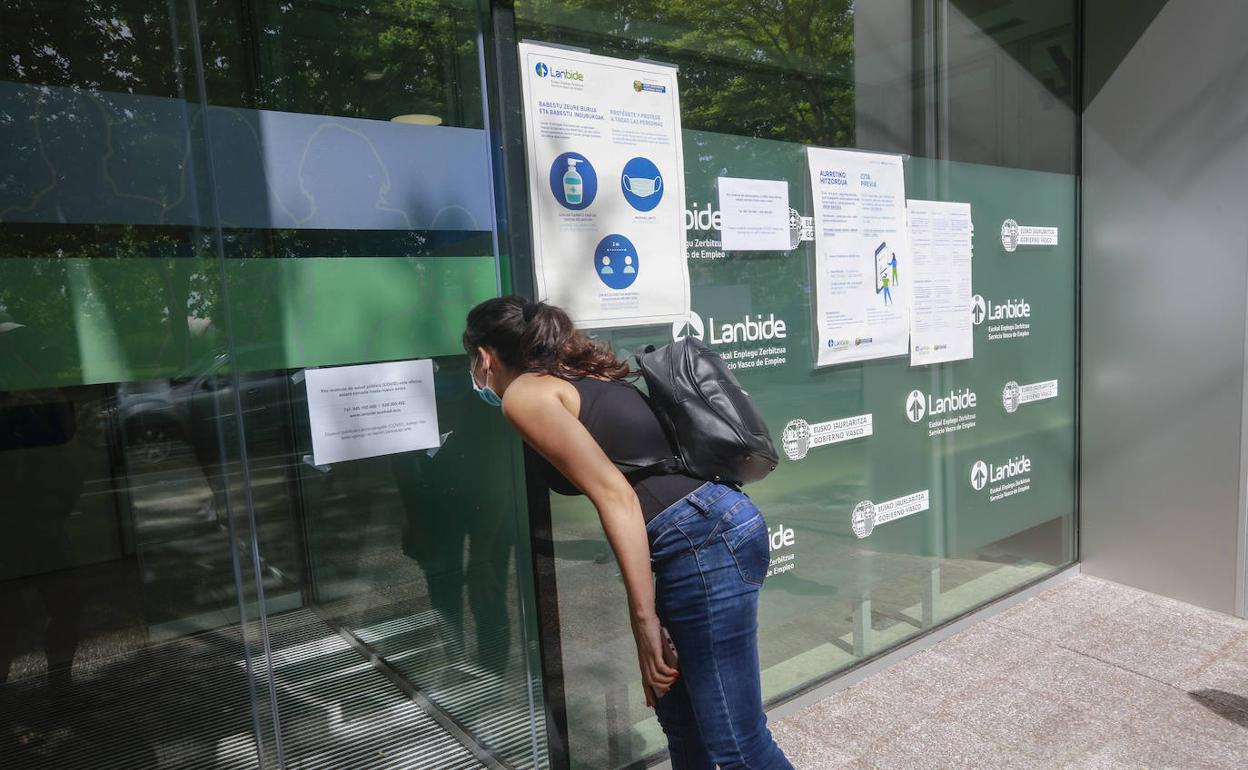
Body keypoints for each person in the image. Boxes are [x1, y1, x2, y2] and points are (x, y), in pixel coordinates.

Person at [463, 296, 793, 770]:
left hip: (700, 538)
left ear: (485, 356)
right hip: (709, 526)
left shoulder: (525, 395)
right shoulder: (576, 374)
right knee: (681, 722)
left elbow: (616, 496)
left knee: (737, 744)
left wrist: (643, 622)